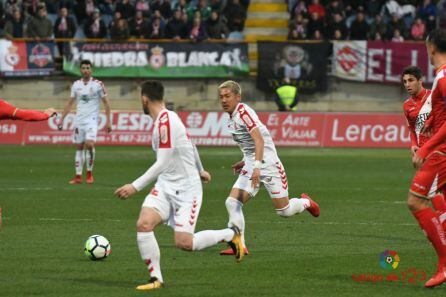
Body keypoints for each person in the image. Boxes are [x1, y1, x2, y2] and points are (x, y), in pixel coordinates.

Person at [114, 80, 244, 291]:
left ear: (144, 99)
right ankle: (156, 279)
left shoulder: (167, 121)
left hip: (186, 190)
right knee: (144, 224)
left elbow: (163, 162)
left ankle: (230, 234)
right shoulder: (162, 121)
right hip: (165, 186)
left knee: (184, 243)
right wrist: (201, 168)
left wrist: (135, 186)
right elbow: (189, 143)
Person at [217, 81, 320, 256]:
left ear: (237, 97)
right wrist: (245, 161)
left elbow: (259, 140)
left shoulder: (244, 113)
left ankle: (306, 202)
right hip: (252, 165)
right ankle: (239, 245)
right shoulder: (231, 119)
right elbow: (250, 145)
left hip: (269, 165)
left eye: (227, 96)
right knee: (232, 202)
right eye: (221, 97)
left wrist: (257, 167)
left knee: (284, 211)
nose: (224, 100)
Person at [409, 28, 446, 288]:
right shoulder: (440, 78)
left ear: (431, 47)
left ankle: (444, 264)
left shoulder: (444, 77)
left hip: (442, 151)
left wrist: (425, 147)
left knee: (416, 201)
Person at [402, 66, 446, 222]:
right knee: (437, 192)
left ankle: (442, 231)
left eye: (411, 80)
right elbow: (412, 129)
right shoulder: (407, 105)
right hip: (423, 153)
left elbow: (441, 113)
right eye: (405, 81)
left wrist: (431, 119)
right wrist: (413, 145)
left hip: (437, 150)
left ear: (420, 81)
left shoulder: (433, 96)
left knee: (431, 193)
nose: (407, 84)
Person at [57, 60, 112, 185]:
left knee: (90, 144)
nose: (86, 70)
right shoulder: (76, 85)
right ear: (80, 70)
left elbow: (107, 104)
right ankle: (78, 176)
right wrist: (61, 119)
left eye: (88, 67)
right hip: (79, 121)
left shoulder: (98, 84)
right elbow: (70, 104)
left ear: (91, 70)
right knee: (79, 147)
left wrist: (109, 122)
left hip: (92, 121)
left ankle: (89, 173)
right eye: (83, 68)